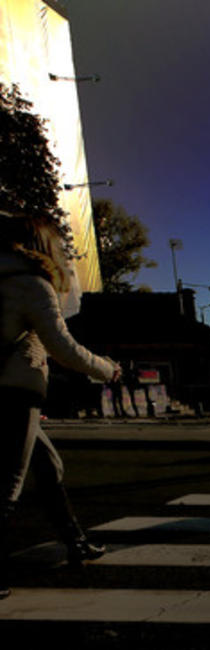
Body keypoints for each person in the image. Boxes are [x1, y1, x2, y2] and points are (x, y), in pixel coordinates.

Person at [0, 214, 121, 600]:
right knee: (8, 483)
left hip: (8, 389)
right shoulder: (31, 283)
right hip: (14, 391)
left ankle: (75, 541)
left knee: (47, 466)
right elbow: (61, 345)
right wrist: (107, 369)